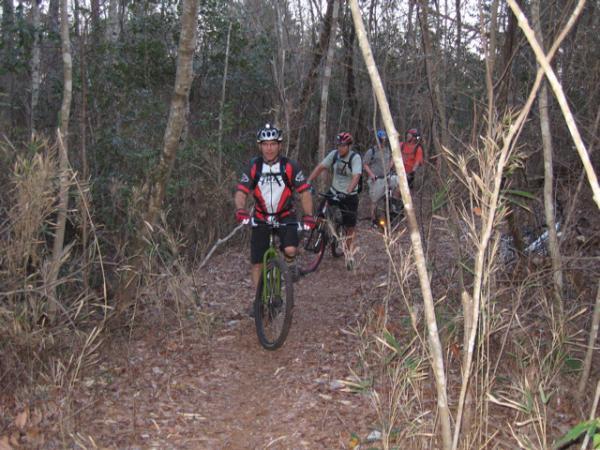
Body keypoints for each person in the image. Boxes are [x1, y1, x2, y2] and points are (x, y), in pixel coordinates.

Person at [234, 123, 315, 294]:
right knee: (257, 263)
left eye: (272, 144)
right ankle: (258, 301)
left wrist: (308, 216)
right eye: (265, 144)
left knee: (290, 249)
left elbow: (304, 192)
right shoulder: (254, 166)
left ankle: (290, 264)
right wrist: (241, 210)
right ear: (260, 146)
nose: (269, 148)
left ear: (279, 145)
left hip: (285, 215)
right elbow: (241, 191)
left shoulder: (289, 166)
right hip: (261, 217)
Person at [307, 132, 362, 270]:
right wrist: (308, 181)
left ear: (349, 146)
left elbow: (356, 177)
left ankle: (349, 255)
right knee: (320, 214)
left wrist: (348, 192)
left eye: (343, 146)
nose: (340, 148)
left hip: (349, 196)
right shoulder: (334, 155)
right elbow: (321, 167)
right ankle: (320, 234)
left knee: (350, 227)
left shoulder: (355, 158)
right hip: (334, 190)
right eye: (338, 145)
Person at [363, 129, 398, 227]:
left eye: (384, 139)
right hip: (377, 179)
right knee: (374, 200)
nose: (383, 141)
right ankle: (373, 220)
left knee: (399, 181)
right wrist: (371, 175)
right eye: (381, 139)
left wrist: (390, 166)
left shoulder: (387, 150)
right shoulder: (372, 151)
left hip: (387, 177)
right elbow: (365, 164)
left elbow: (392, 158)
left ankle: (394, 206)